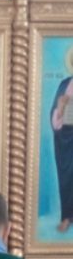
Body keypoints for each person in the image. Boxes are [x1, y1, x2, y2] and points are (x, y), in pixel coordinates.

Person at [50, 70, 73, 232]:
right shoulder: (65, 84)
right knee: (67, 178)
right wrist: (60, 107)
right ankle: (67, 217)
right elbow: (55, 114)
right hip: (66, 138)